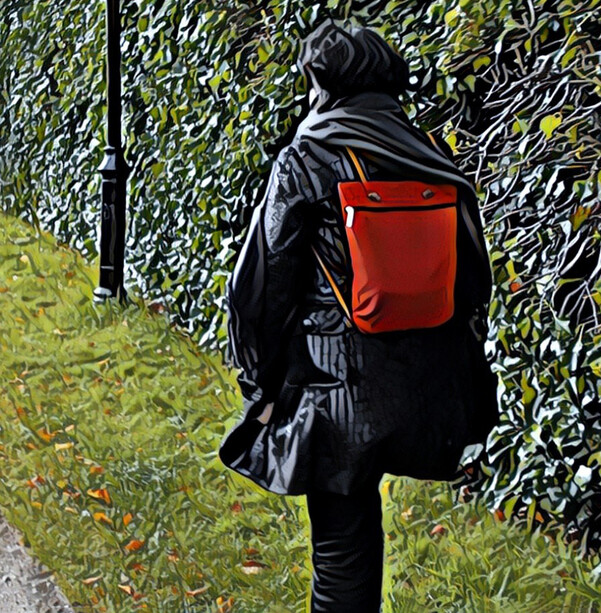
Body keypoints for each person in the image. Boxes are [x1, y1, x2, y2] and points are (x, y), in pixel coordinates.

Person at [219, 21, 500, 612]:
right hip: (424, 383)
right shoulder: (429, 155)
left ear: (321, 80)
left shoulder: (309, 156)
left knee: (340, 559)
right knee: (356, 529)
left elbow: (260, 289)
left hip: (337, 390)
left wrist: (260, 382)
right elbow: (474, 282)